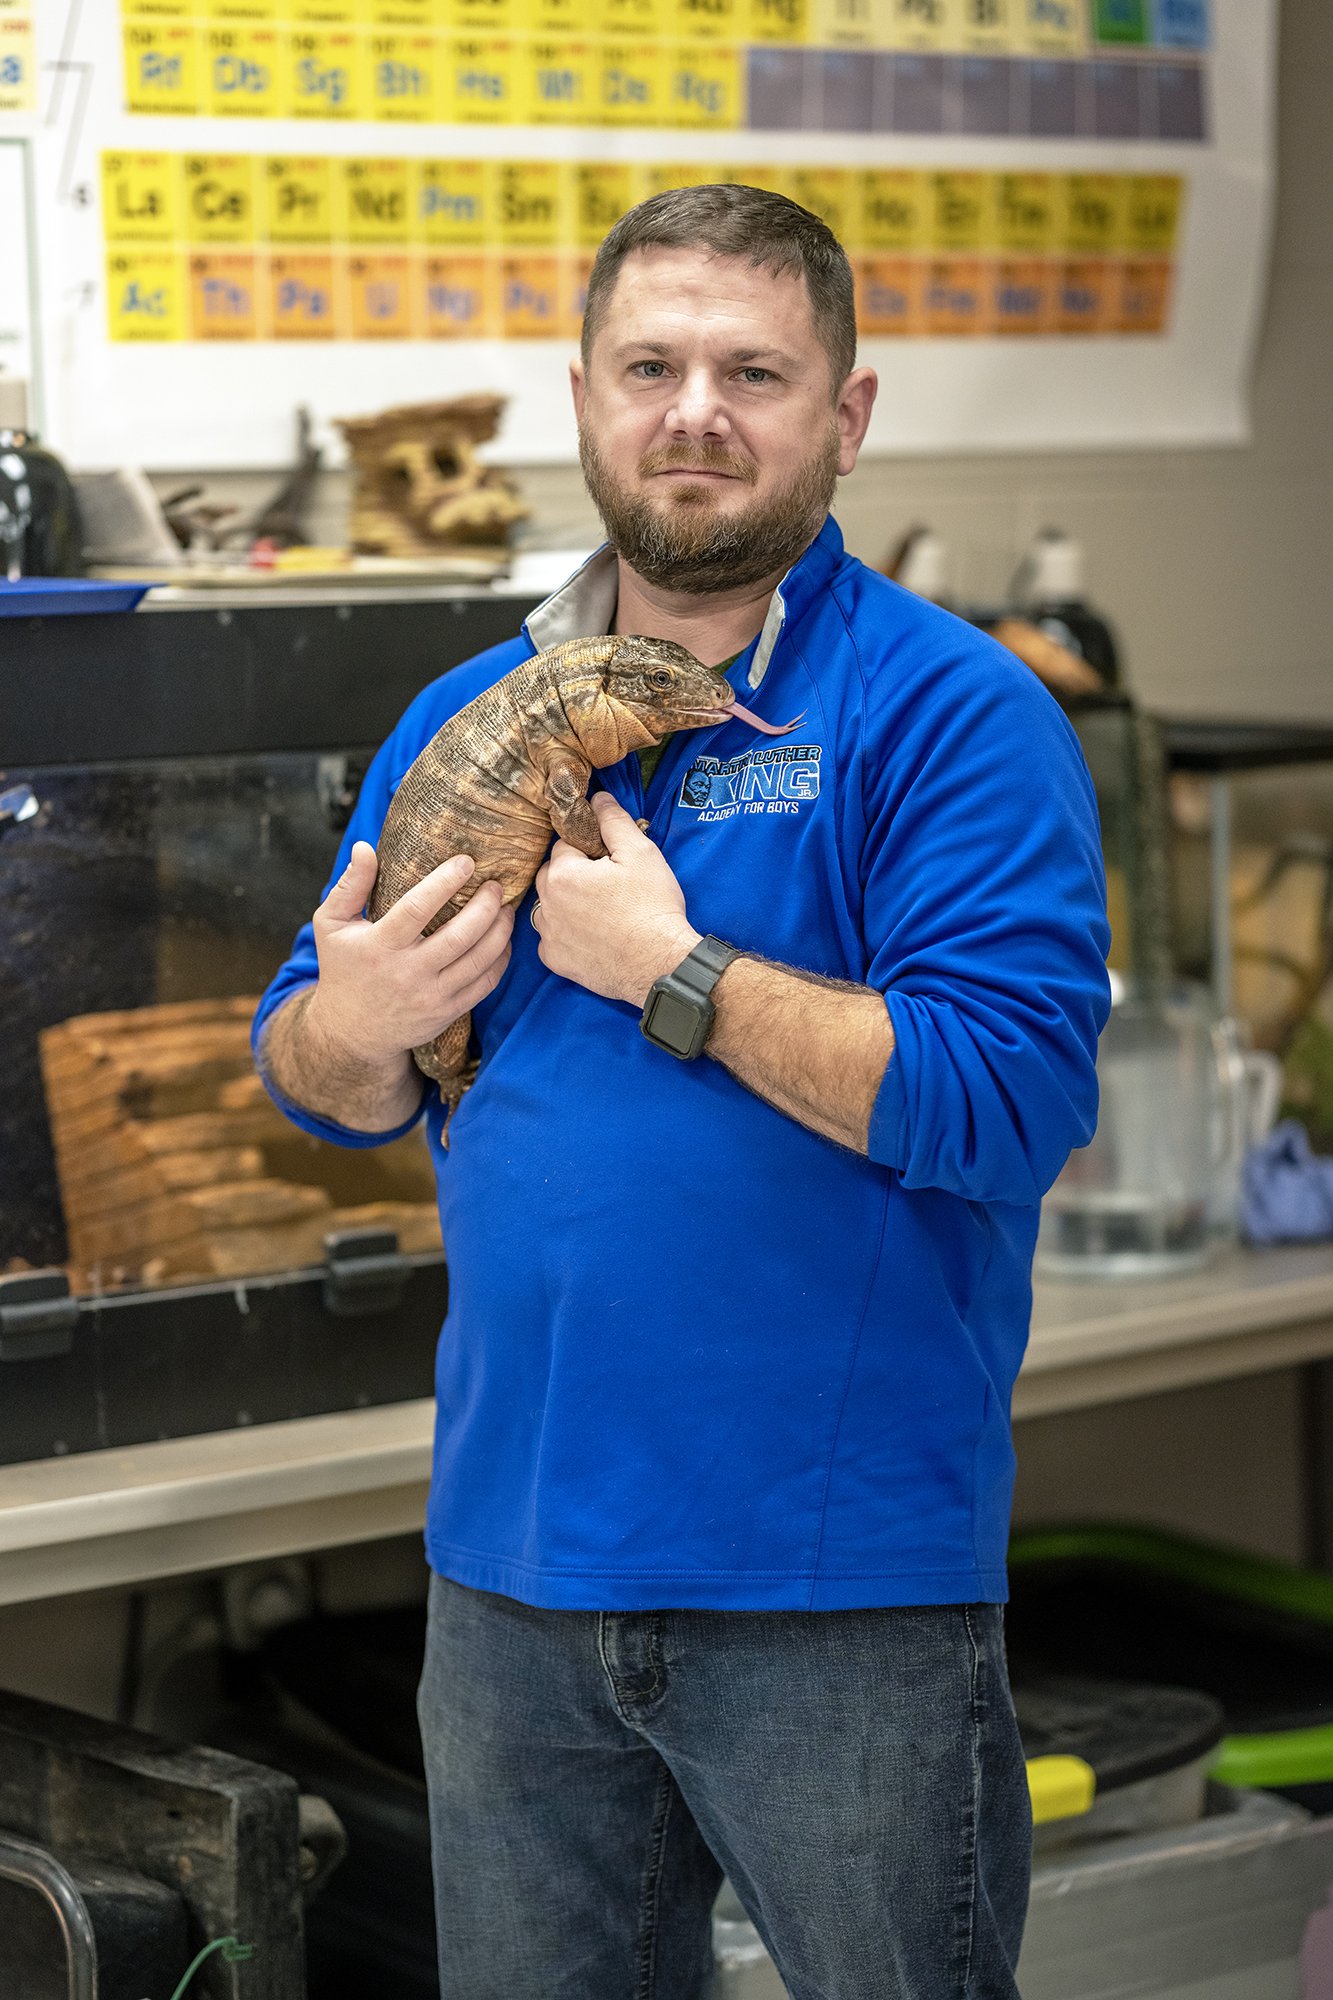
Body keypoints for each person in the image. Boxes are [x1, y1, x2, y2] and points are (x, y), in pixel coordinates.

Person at [254, 184, 1111, 2000]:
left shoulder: (952, 713)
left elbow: (1011, 1095)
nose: (693, 411)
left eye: (752, 369)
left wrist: (678, 975)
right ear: (581, 398)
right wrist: (367, 1018)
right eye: (649, 365)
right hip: (512, 1578)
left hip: (838, 1593)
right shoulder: (466, 714)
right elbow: (308, 1069)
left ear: (845, 416)